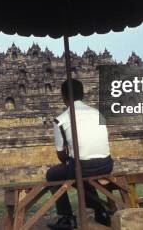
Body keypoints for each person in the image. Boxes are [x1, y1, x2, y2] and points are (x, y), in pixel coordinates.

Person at [46, 79, 113, 229]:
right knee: (80, 174)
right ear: (82, 95)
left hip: (82, 167)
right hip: (107, 164)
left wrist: (68, 159)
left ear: (63, 97)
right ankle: (100, 210)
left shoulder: (60, 120)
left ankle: (67, 216)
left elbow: (60, 154)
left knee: (53, 174)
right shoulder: (98, 113)